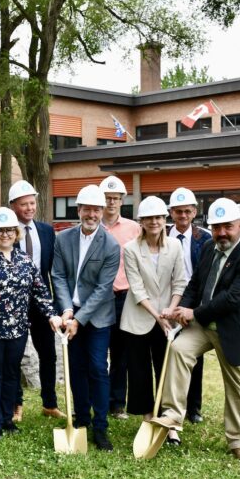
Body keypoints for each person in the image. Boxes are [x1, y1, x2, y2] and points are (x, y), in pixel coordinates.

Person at [152, 197, 240, 464]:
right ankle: (172, 415)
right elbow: (196, 284)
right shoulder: (208, 248)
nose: (222, 233)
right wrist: (179, 307)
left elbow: (232, 299)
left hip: (235, 330)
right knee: (178, 350)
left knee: (237, 386)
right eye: (217, 227)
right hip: (204, 326)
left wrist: (194, 313)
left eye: (227, 226)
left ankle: (238, 441)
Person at [0, 207, 62, 440]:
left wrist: (52, 314)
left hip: (17, 330)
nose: (5, 234)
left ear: (16, 233)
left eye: (9, 230)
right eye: (0, 230)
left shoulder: (25, 261)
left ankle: (7, 418)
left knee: (10, 375)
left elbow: (39, 291)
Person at [52, 185, 120, 451]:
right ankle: (81, 419)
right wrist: (67, 310)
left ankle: (101, 426)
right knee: (75, 368)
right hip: (72, 314)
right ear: (78, 210)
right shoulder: (63, 238)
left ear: (102, 212)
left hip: (97, 318)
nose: (91, 214)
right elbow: (57, 275)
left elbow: (104, 289)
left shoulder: (111, 246)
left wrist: (78, 320)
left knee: (97, 368)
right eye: (87, 209)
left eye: (96, 210)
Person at [120, 196, 187, 433]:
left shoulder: (175, 247)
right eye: (149, 218)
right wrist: (158, 316)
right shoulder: (130, 249)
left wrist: (170, 310)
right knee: (139, 371)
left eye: (158, 217)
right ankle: (148, 418)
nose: (154, 222)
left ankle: (168, 420)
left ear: (164, 219)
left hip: (168, 318)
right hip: (138, 317)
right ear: (142, 222)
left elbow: (180, 282)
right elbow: (136, 289)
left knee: (166, 369)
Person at [9, 180, 65, 422]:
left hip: (42, 302)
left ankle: (49, 403)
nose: (30, 208)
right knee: (14, 355)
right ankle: (15, 404)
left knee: (48, 354)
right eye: (24, 204)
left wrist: (56, 306)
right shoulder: (7, 231)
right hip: (15, 303)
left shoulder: (45, 230)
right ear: (13, 206)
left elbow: (52, 270)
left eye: (32, 203)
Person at [167, 187, 212, 427]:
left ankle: (193, 407)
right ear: (171, 213)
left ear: (194, 212)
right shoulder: (162, 235)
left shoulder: (205, 238)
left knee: (194, 356)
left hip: (194, 305)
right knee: (168, 353)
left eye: (187, 211)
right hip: (169, 302)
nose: (182, 215)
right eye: (177, 211)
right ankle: (169, 404)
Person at [98, 176, 141, 420]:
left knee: (121, 354)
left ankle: (117, 403)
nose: (111, 203)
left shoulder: (133, 228)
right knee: (97, 352)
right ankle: (99, 399)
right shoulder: (93, 225)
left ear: (122, 200)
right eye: (107, 198)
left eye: (115, 198)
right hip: (99, 299)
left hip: (125, 297)